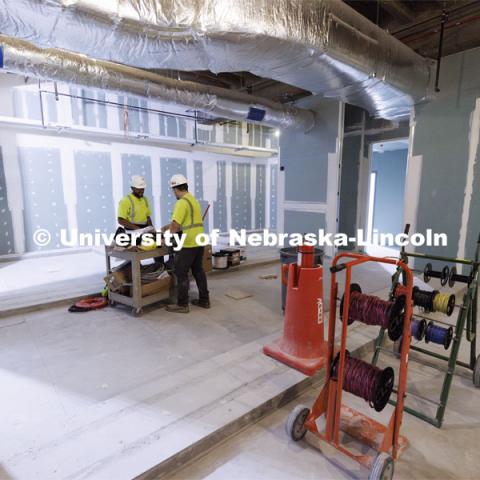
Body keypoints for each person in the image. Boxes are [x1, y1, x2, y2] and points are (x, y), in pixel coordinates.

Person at [162, 173, 209, 313]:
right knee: (198, 271)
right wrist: (166, 227)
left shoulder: (181, 202)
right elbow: (186, 221)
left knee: (180, 272)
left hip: (188, 242)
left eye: (173, 190)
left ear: (176, 189)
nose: (174, 193)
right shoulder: (192, 200)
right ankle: (204, 300)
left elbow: (176, 226)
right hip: (199, 240)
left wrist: (165, 238)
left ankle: (182, 304)